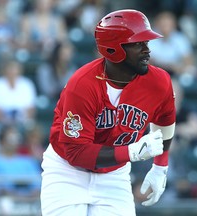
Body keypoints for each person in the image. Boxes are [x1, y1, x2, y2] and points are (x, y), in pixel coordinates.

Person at [40, 9, 176, 216]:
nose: (147, 50)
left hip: (114, 173)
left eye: (146, 43)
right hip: (67, 172)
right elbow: (76, 153)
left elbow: (165, 120)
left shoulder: (159, 81)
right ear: (113, 49)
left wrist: (160, 168)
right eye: (138, 44)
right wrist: (130, 152)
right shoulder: (82, 84)